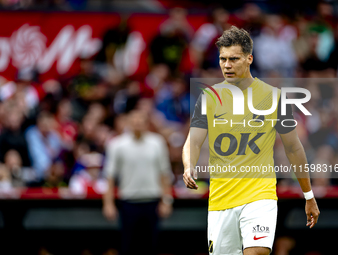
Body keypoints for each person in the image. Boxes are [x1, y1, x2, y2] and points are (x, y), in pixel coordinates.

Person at [182, 26, 320, 255]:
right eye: (222, 59)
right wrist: (189, 165)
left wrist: (309, 195)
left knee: (256, 252)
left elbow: (294, 147)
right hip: (221, 201)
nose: (227, 65)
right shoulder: (208, 97)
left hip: (260, 196)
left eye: (233, 59)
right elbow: (193, 141)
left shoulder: (274, 97)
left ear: (249, 58)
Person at [102, 110, 173, 255]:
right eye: (134, 121)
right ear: (129, 123)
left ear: (146, 123)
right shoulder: (117, 145)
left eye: (141, 121)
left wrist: (167, 201)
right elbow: (109, 177)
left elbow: (164, 174)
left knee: (151, 246)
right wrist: (108, 204)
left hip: (152, 202)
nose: (137, 124)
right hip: (128, 203)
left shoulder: (157, 143)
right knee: (128, 246)